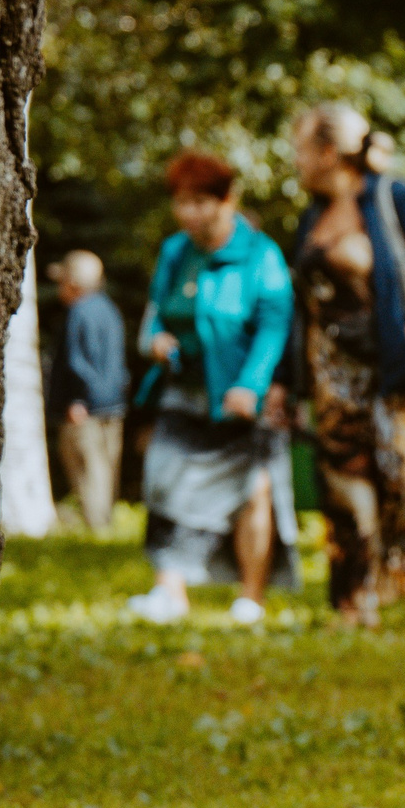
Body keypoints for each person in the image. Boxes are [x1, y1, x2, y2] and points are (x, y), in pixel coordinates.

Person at [287, 104, 405, 625]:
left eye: (299, 149)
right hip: (330, 371)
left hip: (389, 365)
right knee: (342, 481)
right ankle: (353, 599)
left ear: (327, 152)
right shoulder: (312, 217)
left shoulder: (395, 198)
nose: (295, 161)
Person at [129, 151, 299, 626]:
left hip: (240, 392)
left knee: (253, 489)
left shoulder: (261, 255)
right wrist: (157, 338)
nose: (190, 214)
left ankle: (251, 597)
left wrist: (251, 384)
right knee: (164, 476)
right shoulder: (175, 252)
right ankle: (170, 590)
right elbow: (157, 312)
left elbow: (273, 324)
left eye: (201, 202)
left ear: (228, 200)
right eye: (182, 203)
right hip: (183, 385)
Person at [49, 251, 129, 532]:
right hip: (113, 403)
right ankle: (106, 523)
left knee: (87, 468)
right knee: (107, 467)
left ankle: (97, 529)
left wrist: (76, 399)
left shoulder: (78, 312)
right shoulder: (110, 309)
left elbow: (77, 361)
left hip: (84, 406)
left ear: (73, 284)